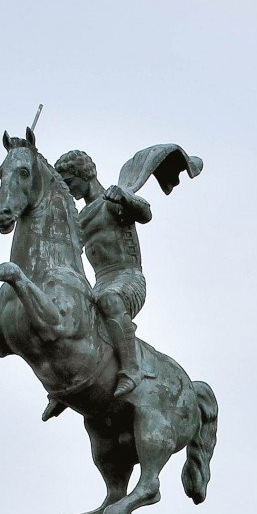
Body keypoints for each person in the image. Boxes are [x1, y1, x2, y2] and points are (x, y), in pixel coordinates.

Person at [52, 149, 156, 415]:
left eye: (70, 182)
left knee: (109, 300)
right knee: (69, 315)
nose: (70, 190)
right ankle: (67, 382)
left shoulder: (112, 199)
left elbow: (145, 214)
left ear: (83, 174)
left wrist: (127, 198)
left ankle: (131, 369)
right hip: (99, 283)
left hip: (127, 277)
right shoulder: (80, 218)